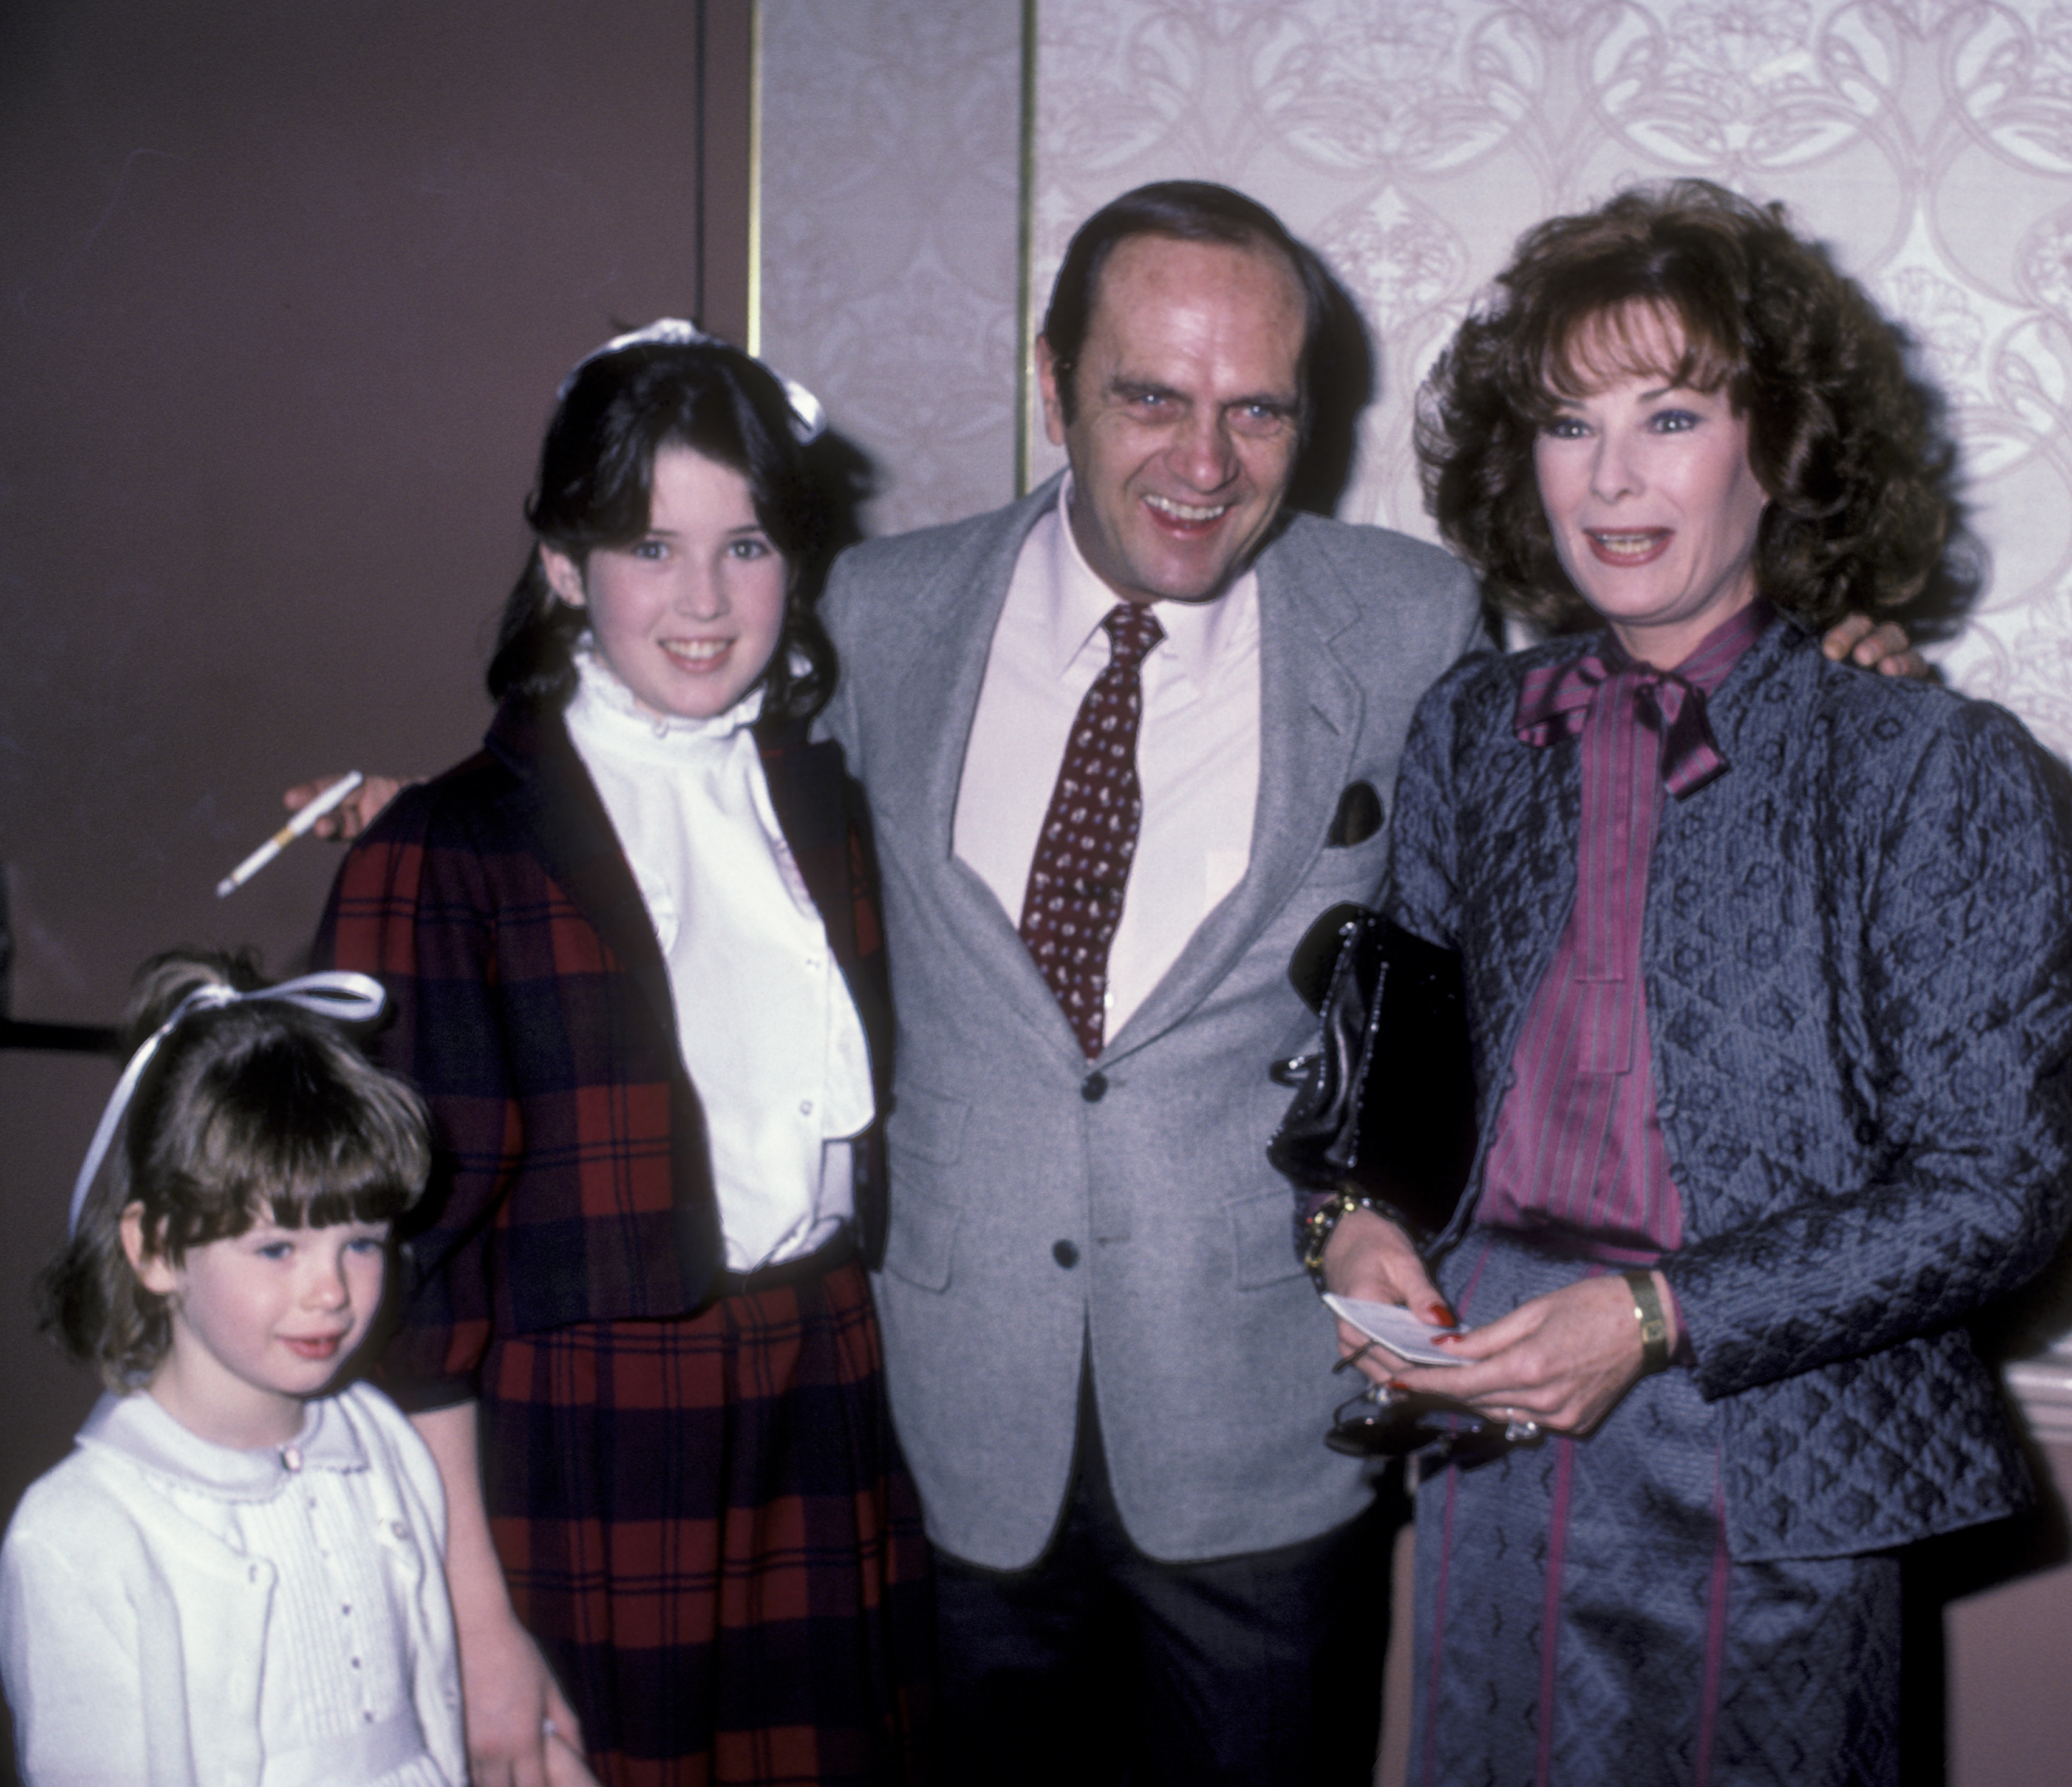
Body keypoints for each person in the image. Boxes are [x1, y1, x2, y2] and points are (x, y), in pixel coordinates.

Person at [286, 183, 1924, 1783]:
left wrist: (1823, 659)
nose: (1203, 463)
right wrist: (444, 814)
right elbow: (679, 777)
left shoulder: (1409, 619)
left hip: (1259, 1451)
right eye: (1150, 394)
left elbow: (1559, 822)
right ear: (1049, 384)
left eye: (1257, 411)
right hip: (922, 1445)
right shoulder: (875, 609)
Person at [1318, 179, 2072, 1784]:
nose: (1610, 476)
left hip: (1773, 1454)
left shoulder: (1926, 763)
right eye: (1566, 421)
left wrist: (1652, 1315)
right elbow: (1397, 1075)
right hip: (1492, 1428)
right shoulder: (1471, 727)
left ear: (1775, 445)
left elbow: (1998, 1186)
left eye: (1668, 413)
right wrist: (1358, 1218)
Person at [313, 325, 932, 1787]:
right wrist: (477, 1623)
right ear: (565, 566)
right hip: (583, 1446)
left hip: (824, 1389)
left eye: (748, 544)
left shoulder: (827, 808)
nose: (706, 603)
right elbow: (411, 1302)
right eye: (652, 545)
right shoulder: (441, 853)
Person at [0, 950, 474, 1787]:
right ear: (155, 1249)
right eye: (277, 1247)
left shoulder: (384, 1444)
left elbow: (437, 1708)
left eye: (361, 1241)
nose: (330, 1289)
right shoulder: (80, 1532)